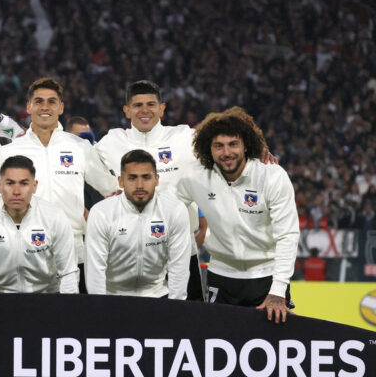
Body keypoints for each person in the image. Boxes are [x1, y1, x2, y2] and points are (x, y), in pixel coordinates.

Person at [175, 107, 299, 323]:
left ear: (246, 145)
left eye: (233, 144)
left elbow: (287, 235)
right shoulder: (195, 176)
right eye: (219, 146)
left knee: (271, 351)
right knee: (219, 348)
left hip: (267, 277)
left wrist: (278, 290)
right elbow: (167, 207)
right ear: (208, 148)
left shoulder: (271, 176)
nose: (226, 152)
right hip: (221, 276)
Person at [0, 78, 117, 292]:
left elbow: (111, 189)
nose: (45, 107)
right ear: (29, 106)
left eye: (51, 101)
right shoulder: (11, 151)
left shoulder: (80, 147)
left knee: (73, 322)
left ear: (61, 107)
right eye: (38, 101)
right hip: (23, 252)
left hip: (74, 251)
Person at [94, 80, 207, 301]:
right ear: (127, 110)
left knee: (189, 326)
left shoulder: (184, 137)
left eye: (151, 104)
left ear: (162, 109)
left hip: (181, 250)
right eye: (137, 105)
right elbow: (83, 164)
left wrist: (257, 145)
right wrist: (109, 191)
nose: (144, 110)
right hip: (128, 253)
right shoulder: (111, 141)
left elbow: (224, 140)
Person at [0, 155, 78, 294]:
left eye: (24, 183)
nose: (16, 191)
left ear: (34, 186)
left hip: (45, 298)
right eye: (10, 183)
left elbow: (68, 272)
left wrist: (65, 310)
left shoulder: (54, 217)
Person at [85, 149, 191, 298]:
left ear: (156, 179)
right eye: (132, 178)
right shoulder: (101, 212)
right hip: (113, 298)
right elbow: (95, 271)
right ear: (121, 181)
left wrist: (175, 308)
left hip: (158, 296)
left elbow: (179, 268)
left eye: (146, 177)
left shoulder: (174, 210)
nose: (140, 185)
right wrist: (101, 308)